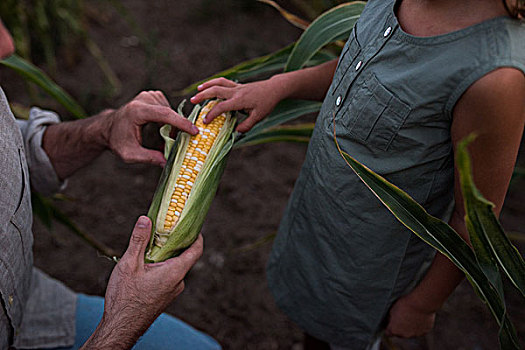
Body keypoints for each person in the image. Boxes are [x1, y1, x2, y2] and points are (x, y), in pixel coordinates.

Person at [191, 0, 525, 348]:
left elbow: (475, 220)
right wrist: (279, 86)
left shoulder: (495, 79)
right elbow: (362, 63)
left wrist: (422, 305)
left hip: (367, 274)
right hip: (318, 224)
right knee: (315, 328)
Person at [0, 20, 220, 349]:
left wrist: (103, 128)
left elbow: (21, 152)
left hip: (29, 304)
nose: (7, 45)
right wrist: (125, 320)